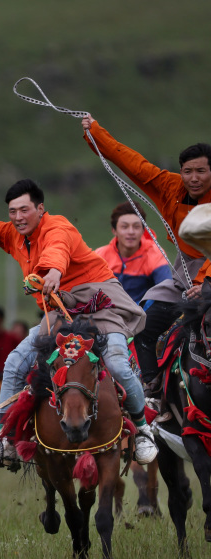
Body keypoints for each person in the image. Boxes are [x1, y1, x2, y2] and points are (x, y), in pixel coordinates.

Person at [0, 179, 157, 466]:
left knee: (116, 363)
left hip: (99, 305)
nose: (18, 217)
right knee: (15, 363)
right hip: (59, 313)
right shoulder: (10, 234)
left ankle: (143, 430)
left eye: (24, 210)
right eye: (12, 211)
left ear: (40, 209)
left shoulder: (59, 227)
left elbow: (57, 249)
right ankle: (5, 442)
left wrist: (53, 272)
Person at [82, 115, 211, 395]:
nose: (193, 178)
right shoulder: (170, 186)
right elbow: (134, 164)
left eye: (201, 171)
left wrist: (206, 283)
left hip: (208, 277)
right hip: (184, 276)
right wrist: (95, 132)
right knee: (144, 328)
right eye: (188, 171)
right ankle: (152, 392)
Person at [93, 201, 172, 304]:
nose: (131, 232)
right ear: (114, 230)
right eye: (124, 227)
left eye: (136, 227)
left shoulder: (155, 254)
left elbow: (166, 291)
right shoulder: (101, 255)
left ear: (143, 230)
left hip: (142, 310)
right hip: (108, 309)